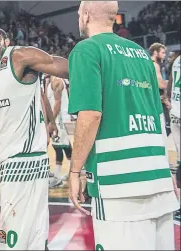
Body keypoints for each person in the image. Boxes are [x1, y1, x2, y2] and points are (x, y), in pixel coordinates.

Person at [67, 2, 180, 250]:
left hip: (118, 185)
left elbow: (90, 115)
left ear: (85, 15)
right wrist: (164, 168)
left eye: (78, 14)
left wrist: (75, 171)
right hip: (157, 179)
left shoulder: (86, 50)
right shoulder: (141, 54)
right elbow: (156, 113)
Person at [0, 20, 67, 250]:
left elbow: (66, 67)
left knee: (10, 238)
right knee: (32, 235)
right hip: (5, 161)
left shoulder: (19, 56)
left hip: (26, 159)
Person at [46, 74, 72, 187]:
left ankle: (56, 177)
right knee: (66, 148)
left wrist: (51, 122)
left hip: (59, 120)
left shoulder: (56, 81)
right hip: (59, 119)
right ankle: (72, 172)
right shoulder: (50, 81)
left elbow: (57, 103)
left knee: (58, 147)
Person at [150, 43, 171, 136]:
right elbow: (161, 85)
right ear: (155, 52)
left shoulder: (148, 63)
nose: (164, 55)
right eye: (162, 53)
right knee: (167, 128)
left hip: (154, 100)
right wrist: (172, 82)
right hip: (158, 101)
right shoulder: (155, 65)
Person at [167, 52, 180, 185]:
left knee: (179, 155)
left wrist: (169, 101)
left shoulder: (177, 61)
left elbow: (170, 85)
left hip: (175, 112)